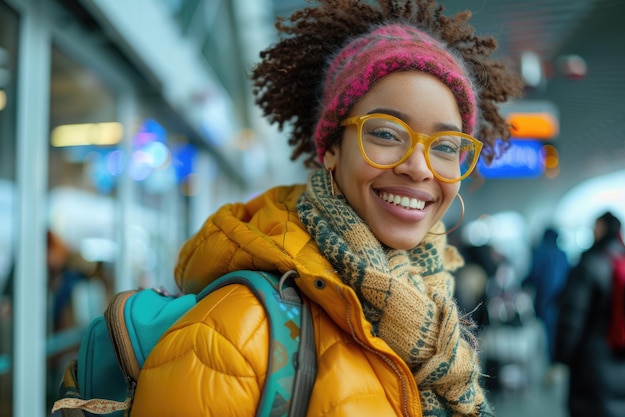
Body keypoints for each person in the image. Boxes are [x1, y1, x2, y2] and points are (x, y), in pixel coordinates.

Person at [131, 1, 522, 415]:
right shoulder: (233, 333)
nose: (419, 168)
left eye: (444, 146)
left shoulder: (436, 305)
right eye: (387, 134)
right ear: (332, 147)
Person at [555, 212, 625, 417]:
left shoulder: (590, 264)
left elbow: (572, 317)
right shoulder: (622, 259)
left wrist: (562, 357)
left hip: (592, 365)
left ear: (602, 228)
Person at [522, 227, 570, 362]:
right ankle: (557, 360)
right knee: (557, 331)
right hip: (560, 299)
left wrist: (522, 283)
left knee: (547, 332)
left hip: (545, 299)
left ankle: (550, 361)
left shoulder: (540, 252)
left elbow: (533, 274)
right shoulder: (563, 254)